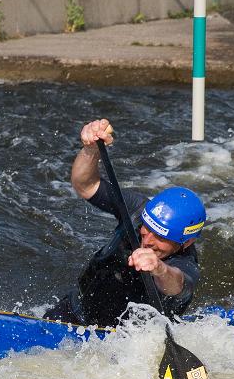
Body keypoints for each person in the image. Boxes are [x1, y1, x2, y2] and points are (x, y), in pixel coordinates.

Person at [44, 119, 205, 327]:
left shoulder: (185, 263)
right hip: (76, 311)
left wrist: (159, 268)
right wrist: (90, 150)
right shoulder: (137, 209)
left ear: (188, 242)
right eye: (147, 228)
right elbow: (85, 185)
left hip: (123, 341)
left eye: (161, 237)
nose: (147, 240)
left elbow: (177, 285)